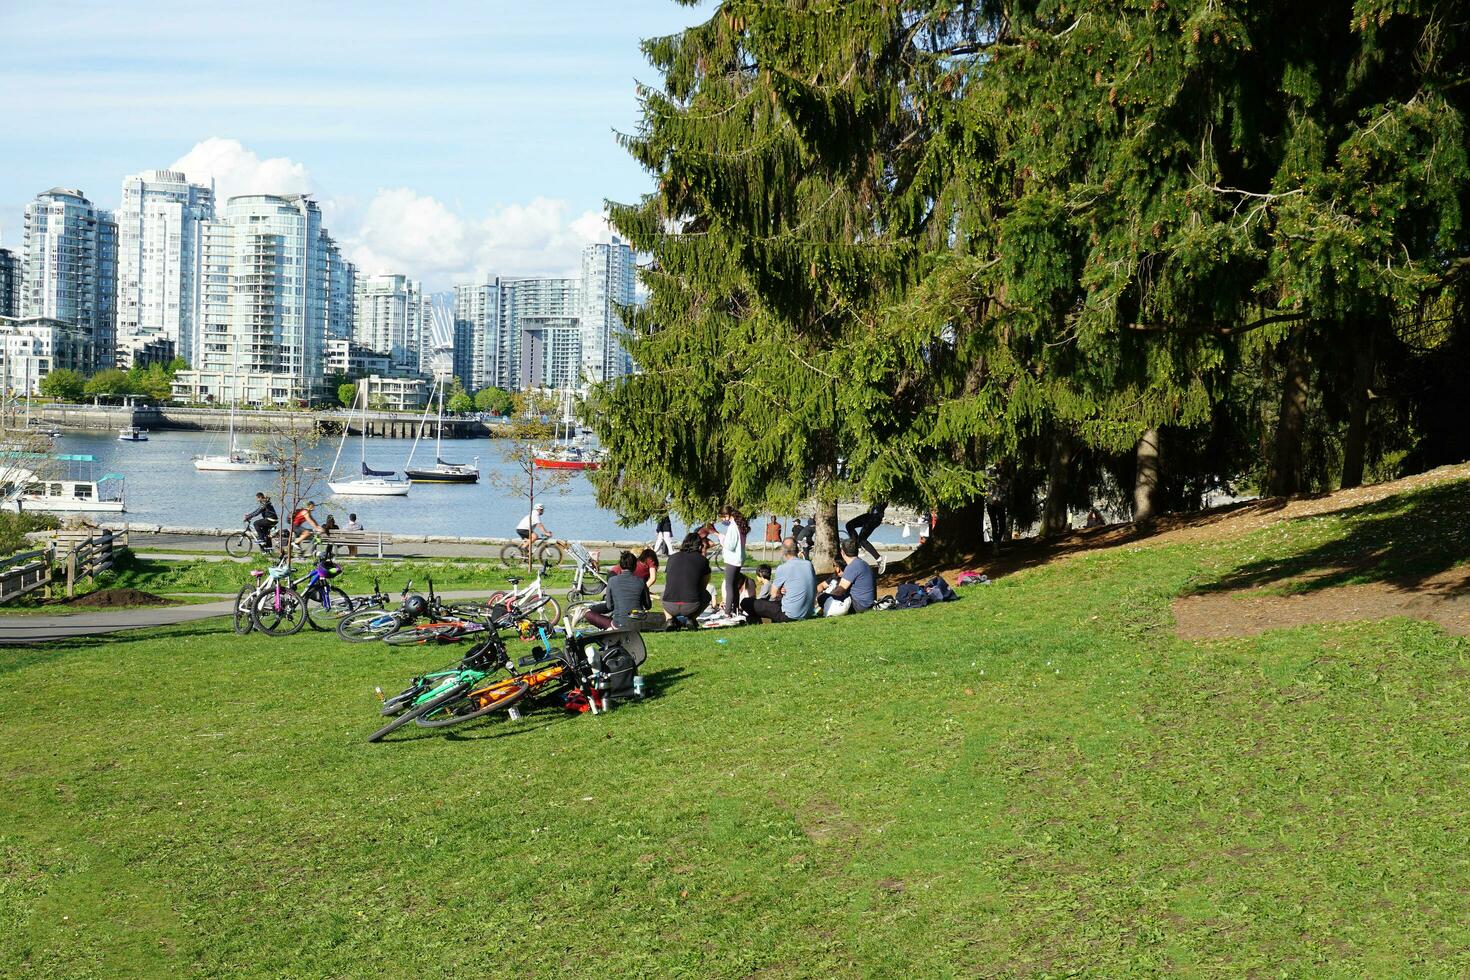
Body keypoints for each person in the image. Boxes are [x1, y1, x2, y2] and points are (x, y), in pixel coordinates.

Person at [740, 537, 815, 624]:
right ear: (798, 549)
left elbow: (774, 594)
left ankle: (759, 619)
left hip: (789, 615)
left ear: (783, 551)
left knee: (746, 602)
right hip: (808, 612)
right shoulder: (808, 565)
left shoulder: (783, 568)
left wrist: (780, 591)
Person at [584, 551, 651, 630]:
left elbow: (609, 606)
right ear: (635, 566)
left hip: (619, 624)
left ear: (620, 565)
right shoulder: (641, 581)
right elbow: (648, 606)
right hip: (638, 623)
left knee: (588, 614)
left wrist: (592, 608)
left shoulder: (612, 580)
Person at [816, 537, 876, 617]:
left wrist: (827, 596)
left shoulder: (852, 566)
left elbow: (839, 591)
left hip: (860, 605)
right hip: (868, 603)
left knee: (822, 597)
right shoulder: (863, 563)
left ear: (842, 552)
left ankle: (824, 610)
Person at [661, 532, 712, 624]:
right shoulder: (703, 560)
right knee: (707, 595)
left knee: (664, 593)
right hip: (691, 606)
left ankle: (669, 619)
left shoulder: (672, 558)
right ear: (699, 546)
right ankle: (691, 619)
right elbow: (703, 586)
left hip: (669, 605)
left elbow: (668, 581)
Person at [713, 507, 749, 616]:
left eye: (723, 518)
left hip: (732, 559)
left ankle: (727, 612)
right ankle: (735, 609)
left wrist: (721, 537)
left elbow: (730, 545)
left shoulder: (733, 527)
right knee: (734, 585)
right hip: (738, 558)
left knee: (728, 585)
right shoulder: (740, 525)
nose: (723, 521)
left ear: (727, 516)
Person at [845, 500, 887, 570]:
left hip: (875, 518)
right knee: (849, 525)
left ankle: (879, 559)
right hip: (869, 516)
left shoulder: (883, 496)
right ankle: (859, 548)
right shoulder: (874, 494)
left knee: (862, 540)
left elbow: (883, 503)